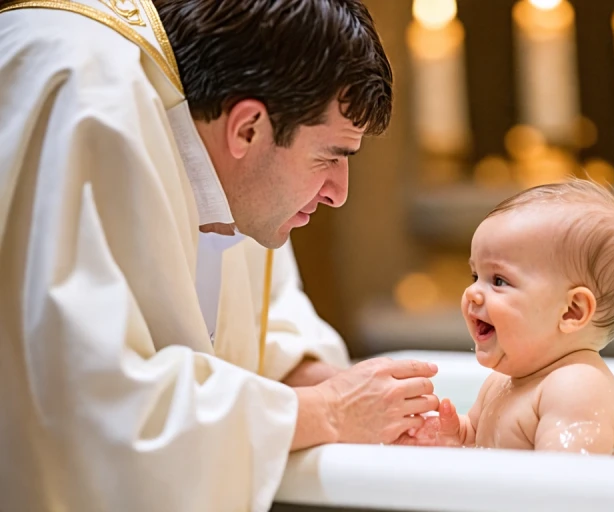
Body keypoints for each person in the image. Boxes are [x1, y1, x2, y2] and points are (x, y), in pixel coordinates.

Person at [0, 1, 439, 511]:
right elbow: (82, 406)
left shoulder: (228, 166)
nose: (338, 193)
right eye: (329, 158)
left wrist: (328, 386)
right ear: (247, 128)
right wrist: (328, 412)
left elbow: (260, 322)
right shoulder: (84, 95)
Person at [398, 179, 614, 454]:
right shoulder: (500, 383)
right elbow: (482, 442)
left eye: (498, 280)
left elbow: (566, 485)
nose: (472, 292)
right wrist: (458, 436)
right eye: (475, 276)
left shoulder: (576, 389)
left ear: (571, 311)